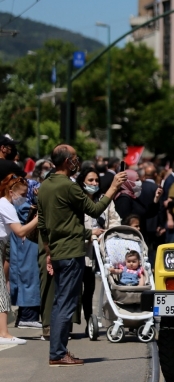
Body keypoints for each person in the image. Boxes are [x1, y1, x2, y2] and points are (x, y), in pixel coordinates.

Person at [38, 144, 126, 366]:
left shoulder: (46, 185)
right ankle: (58, 353)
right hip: (70, 251)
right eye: (75, 158)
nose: (78, 161)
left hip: (58, 250)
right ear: (67, 161)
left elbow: (42, 222)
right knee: (65, 304)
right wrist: (113, 186)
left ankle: (58, 351)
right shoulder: (69, 186)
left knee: (61, 301)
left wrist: (48, 250)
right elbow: (95, 210)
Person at [76, 167, 121, 335]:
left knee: (93, 287)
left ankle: (96, 319)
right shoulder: (77, 200)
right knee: (80, 287)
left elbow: (115, 220)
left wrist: (108, 234)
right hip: (82, 248)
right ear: (83, 182)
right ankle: (81, 319)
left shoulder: (105, 199)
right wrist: (89, 234)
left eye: (96, 180)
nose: (94, 183)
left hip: (102, 248)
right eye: (90, 180)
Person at [0, 174, 39, 344]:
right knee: (2, 292)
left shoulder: (5, 204)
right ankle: (4, 333)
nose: (23, 198)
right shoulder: (6, 205)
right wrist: (39, 218)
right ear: (11, 192)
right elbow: (21, 231)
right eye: (22, 195)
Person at [9, 177, 41, 329]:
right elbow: (26, 213)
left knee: (27, 278)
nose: (22, 197)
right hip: (26, 244)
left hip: (23, 244)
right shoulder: (22, 205)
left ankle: (25, 316)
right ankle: (28, 316)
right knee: (29, 278)